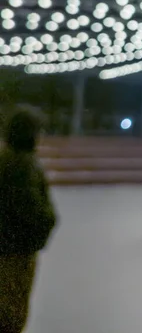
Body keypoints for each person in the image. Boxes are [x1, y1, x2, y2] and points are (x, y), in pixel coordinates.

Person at [0, 107, 57, 333]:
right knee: (11, 313)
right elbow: (31, 209)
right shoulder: (21, 165)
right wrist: (48, 221)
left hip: (9, 248)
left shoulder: (6, 159)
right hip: (14, 251)